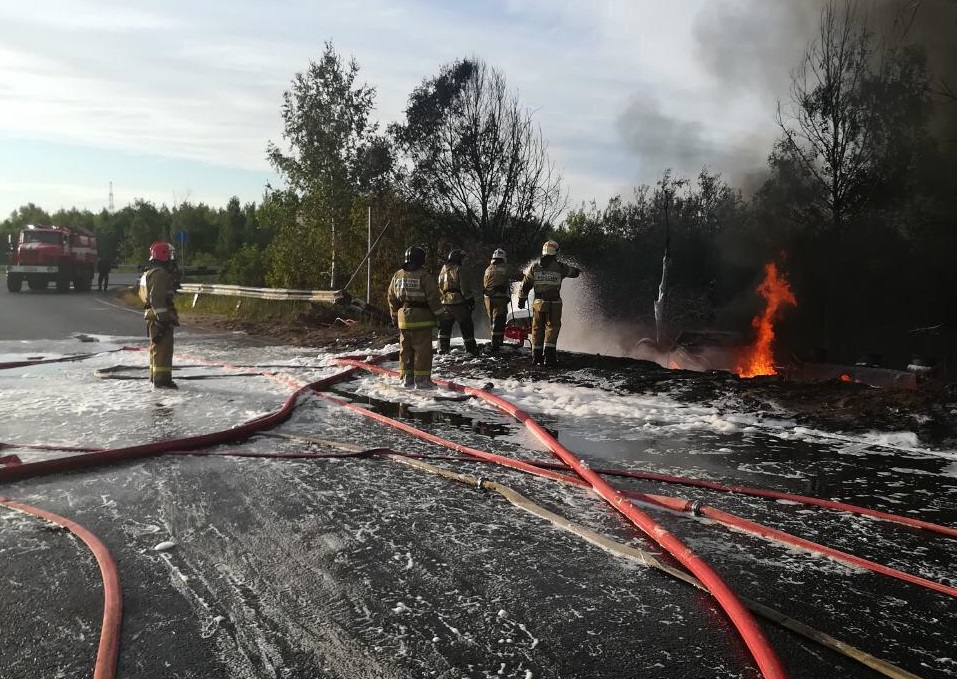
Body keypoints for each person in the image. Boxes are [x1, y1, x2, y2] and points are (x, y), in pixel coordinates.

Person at [387, 245, 445, 389]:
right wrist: (441, 316)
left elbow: (391, 298)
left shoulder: (398, 275)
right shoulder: (424, 276)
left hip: (404, 318)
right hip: (422, 319)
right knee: (422, 350)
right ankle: (422, 380)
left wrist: (395, 317)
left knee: (405, 349)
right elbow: (433, 298)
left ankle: (406, 378)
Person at [518, 239, 582, 366]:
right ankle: (550, 358)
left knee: (537, 329)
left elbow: (526, 285)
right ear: (555, 252)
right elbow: (574, 273)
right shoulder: (560, 267)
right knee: (552, 328)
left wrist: (522, 299)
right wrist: (579, 271)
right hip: (554, 303)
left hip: (538, 303)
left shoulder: (534, 267)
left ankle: (536, 357)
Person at [138, 241, 181, 389]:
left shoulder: (148, 273)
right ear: (163, 255)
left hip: (152, 316)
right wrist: (163, 321)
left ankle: (155, 377)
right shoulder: (160, 274)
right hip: (159, 318)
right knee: (163, 350)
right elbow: (157, 298)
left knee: (155, 350)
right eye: (170, 254)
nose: (171, 258)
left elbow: (146, 297)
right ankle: (162, 381)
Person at [437, 249, 478, 356]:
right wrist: (470, 299)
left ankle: (442, 349)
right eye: (461, 258)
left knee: (445, 327)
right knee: (466, 325)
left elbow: (440, 286)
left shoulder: (443, 270)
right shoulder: (459, 269)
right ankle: (471, 349)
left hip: (445, 302)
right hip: (458, 301)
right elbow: (464, 286)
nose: (462, 261)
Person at [483, 248, 513, 352]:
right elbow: (519, 276)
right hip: (499, 297)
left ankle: (495, 341)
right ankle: (496, 343)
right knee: (499, 319)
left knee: (493, 319)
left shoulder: (488, 268)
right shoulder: (506, 267)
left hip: (487, 298)